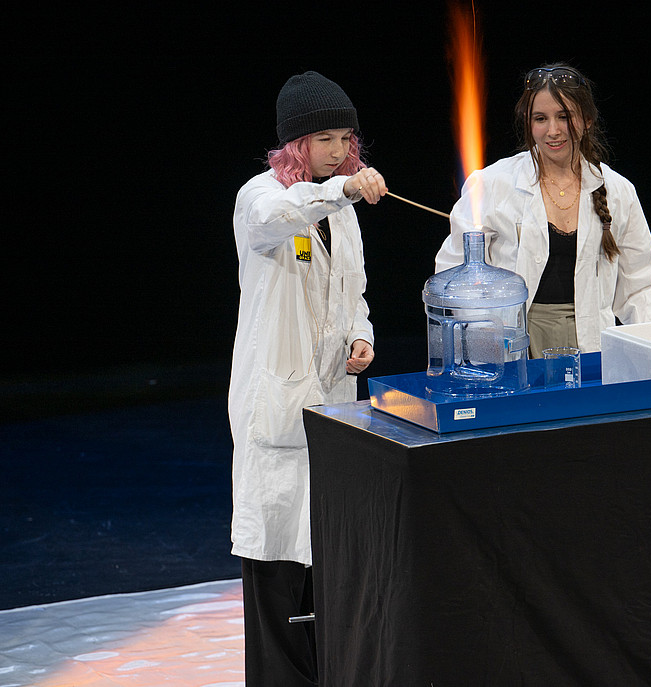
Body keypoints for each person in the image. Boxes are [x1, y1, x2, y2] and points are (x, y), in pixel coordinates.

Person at [229, 70, 386, 686]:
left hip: (334, 409)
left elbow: (355, 292)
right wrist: (344, 187)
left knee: (328, 571)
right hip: (278, 409)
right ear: (295, 144)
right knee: (278, 566)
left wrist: (361, 336)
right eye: (325, 139)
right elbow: (283, 214)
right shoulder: (260, 198)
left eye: (346, 139)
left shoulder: (340, 211)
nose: (340, 151)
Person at [435, 63, 651, 356]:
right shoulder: (492, 184)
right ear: (528, 122)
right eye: (540, 118)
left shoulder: (618, 191)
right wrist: (482, 335)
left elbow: (637, 287)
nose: (552, 131)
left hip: (592, 342)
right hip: (512, 344)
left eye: (564, 117)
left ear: (587, 120)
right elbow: (454, 274)